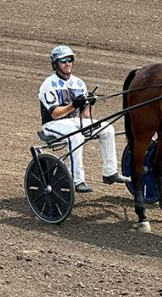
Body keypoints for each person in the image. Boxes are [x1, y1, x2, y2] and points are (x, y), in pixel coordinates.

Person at [38, 45, 130, 193]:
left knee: (107, 128)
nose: (68, 63)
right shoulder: (48, 84)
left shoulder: (79, 83)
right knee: (76, 136)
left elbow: (86, 115)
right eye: (63, 61)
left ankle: (110, 172)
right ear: (56, 64)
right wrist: (74, 105)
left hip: (74, 122)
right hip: (53, 124)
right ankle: (76, 180)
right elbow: (55, 114)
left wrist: (90, 102)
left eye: (70, 59)